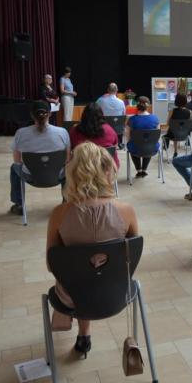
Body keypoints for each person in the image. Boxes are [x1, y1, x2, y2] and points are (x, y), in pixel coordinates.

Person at [46, 142, 138, 358]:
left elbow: (52, 266)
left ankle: (84, 334)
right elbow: (131, 257)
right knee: (93, 273)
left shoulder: (59, 214)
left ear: (72, 173)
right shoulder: (127, 211)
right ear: (108, 170)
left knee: (79, 276)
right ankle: (84, 333)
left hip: (73, 297)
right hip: (118, 293)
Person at [9, 101, 71, 215]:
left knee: (14, 168)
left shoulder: (20, 133)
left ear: (32, 115)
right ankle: (67, 201)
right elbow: (67, 160)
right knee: (69, 168)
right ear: (50, 114)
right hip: (57, 176)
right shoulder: (62, 132)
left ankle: (19, 204)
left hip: (31, 177)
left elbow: (17, 161)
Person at [69, 102, 120, 168]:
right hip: (106, 168)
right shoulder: (109, 130)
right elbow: (115, 147)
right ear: (101, 115)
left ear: (84, 115)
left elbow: (71, 149)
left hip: (83, 169)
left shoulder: (74, 131)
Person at [126, 97, 160, 178]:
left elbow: (127, 135)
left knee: (132, 145)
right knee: (149, 143)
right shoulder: (155, 118)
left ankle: (139, 170)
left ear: (137, 106)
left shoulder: (132, 119)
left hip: (136, 148)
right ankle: (144, 170)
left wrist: (130, 142)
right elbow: (157, 135)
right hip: (151, 148)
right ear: (147, 106)